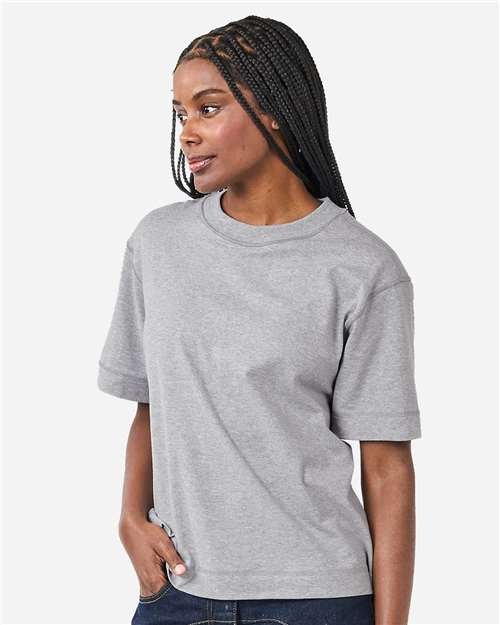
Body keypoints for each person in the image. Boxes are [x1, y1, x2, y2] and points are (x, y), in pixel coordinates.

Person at [97, 15, 422, 625]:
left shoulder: (363, 267)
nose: (188, 133)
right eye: (180, 113)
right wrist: (130, 519)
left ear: (273, 108)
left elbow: (386, 465)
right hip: (177, 590)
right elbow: (151, 402)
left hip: (317, 599)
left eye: (208, 108)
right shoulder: (158, 244)